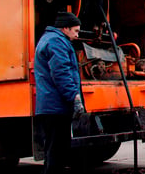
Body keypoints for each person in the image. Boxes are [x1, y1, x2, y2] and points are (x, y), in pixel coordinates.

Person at [35, 12, 85, 174]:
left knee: (54, 152)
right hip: (56, 108)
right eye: (75, 31)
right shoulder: (56, 42)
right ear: (65, 28)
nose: (77, 35)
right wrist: (74, 97)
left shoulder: (49, 39)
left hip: (51, 107)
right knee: (57, 152)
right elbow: (61, 73)